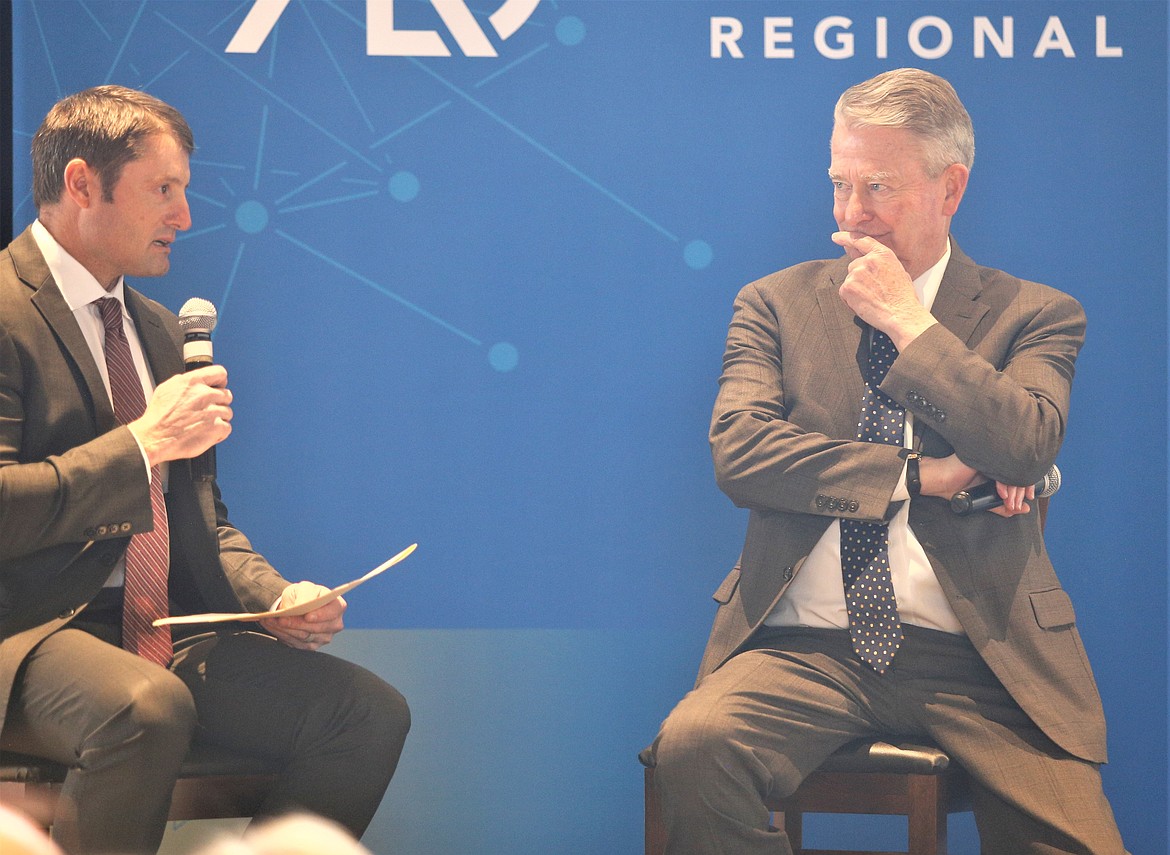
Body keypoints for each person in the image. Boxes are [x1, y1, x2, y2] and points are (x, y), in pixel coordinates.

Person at [646, 68, 1126, 854]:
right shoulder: (775, 303)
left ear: (950, 189)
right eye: (839, 183)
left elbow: (1026, 443)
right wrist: (917, 475)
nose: (851, 214)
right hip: (808, 649)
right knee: (696, 747)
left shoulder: (1034, 314)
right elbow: (741, 452)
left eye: (878, 186)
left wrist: (911, 323)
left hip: (983, 659)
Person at [0, 85, 410, 855]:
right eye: (164, 190)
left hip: (156, 633)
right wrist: (141, 444)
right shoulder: (2, 308)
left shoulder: (157, 333)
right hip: (24, 632)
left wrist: (274, 595)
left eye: (184, 191)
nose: (185, 217)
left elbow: (198, 518)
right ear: (82, 182)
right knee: (146, 707)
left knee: (364, 712)